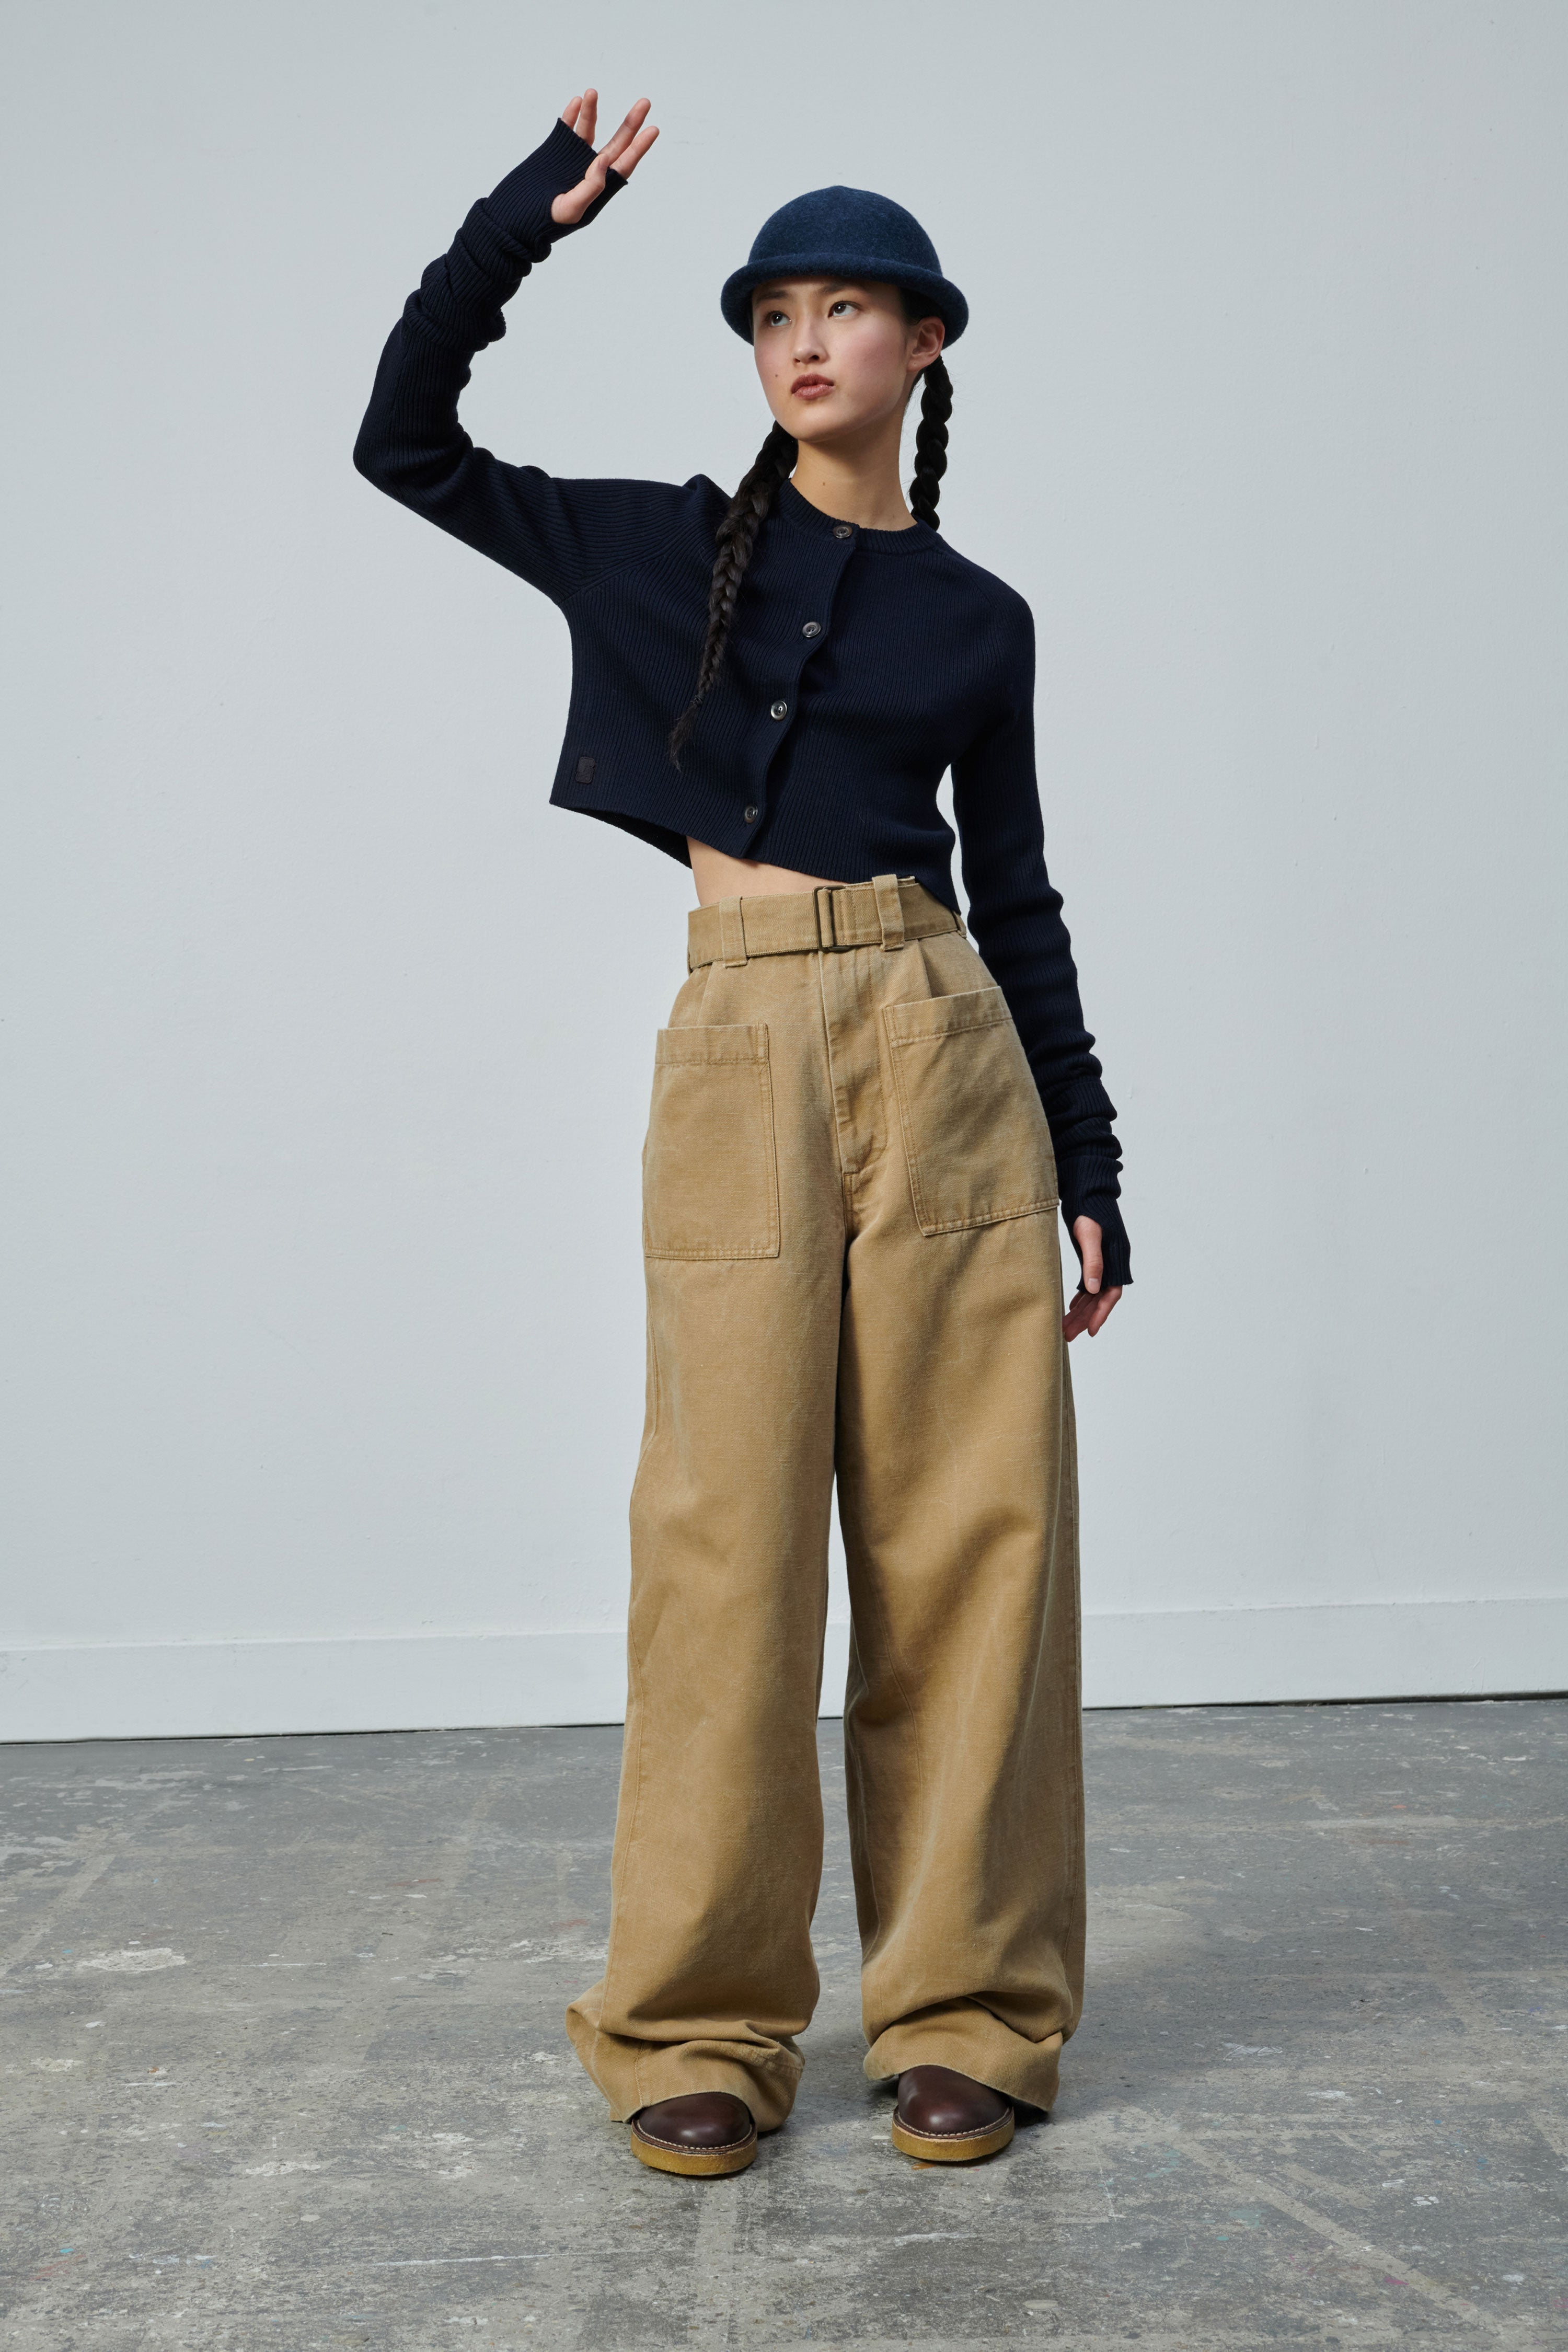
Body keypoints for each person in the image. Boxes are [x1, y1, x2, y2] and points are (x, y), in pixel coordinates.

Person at [354, 88, 1129, 2180]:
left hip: (946, 1044)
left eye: (847, 307)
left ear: (925, 342)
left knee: (972, 1539)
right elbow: (404, 440)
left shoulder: (980, 619)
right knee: (723, 1540)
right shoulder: (651, 548)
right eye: (776, 312)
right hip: (742, 1035)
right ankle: (698, 2017)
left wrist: (1090, 1165)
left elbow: (1020, 897)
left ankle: (965, 2008)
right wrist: (527, 222)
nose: (805, 340)